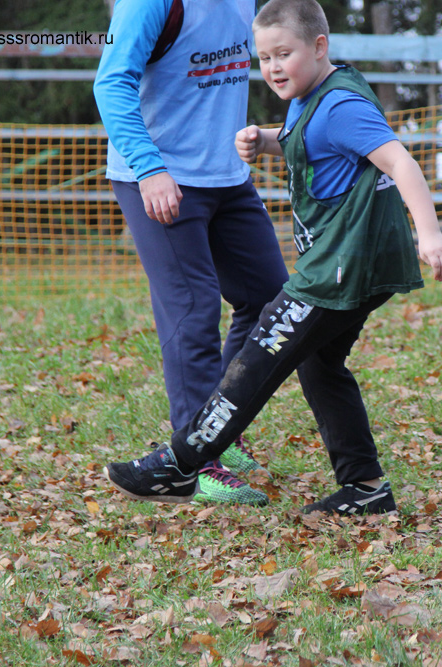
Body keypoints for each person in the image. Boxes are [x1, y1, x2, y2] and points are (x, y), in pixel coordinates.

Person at [103, 0, 442, 514]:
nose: (271, 68)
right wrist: (266, 141)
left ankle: (181, 462)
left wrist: (431, 234)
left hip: (336, 271)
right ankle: (366, 488)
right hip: (346, 265)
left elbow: (399, 160)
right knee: (318, 364)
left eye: (283, 55)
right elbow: (312, 141)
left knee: (259, 358)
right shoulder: (310, 96)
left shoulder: (338, 105)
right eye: (263, 58)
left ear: (319, 47)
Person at [93, 0, 290, 505]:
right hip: (160, 176)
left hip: (228, 177)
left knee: (271, 300)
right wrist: (149, 168)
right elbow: (111, 83)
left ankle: (216, 429)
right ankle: (193, 465)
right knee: (193, 311)